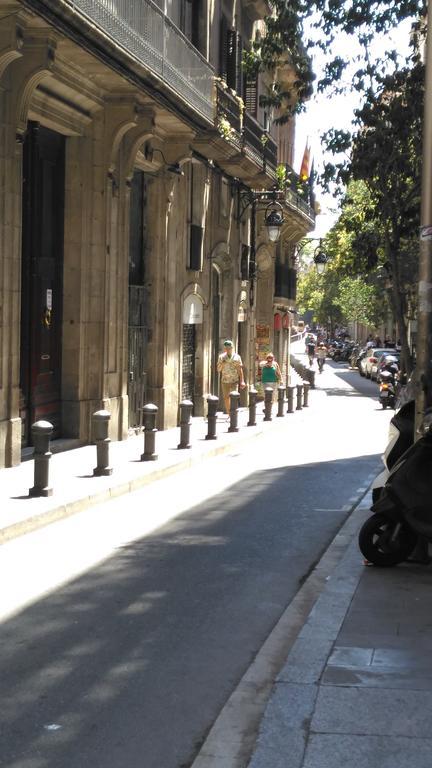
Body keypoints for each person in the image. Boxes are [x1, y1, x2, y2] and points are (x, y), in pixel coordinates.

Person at [217, 339, 245, 414]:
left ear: (232, 348)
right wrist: (222, 364)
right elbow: (218, 370)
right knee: (226, 398)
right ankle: (229, 413)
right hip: (225, 381)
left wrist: (242, 381)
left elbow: (240, 369)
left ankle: (234, 412)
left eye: (229, 348)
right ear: (224, 348)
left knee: (234, 397)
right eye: (226, 348)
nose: (228, 349)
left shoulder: (237, 357)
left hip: (234, 381)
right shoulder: (221, 357)